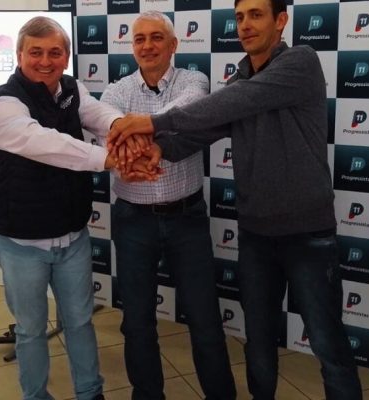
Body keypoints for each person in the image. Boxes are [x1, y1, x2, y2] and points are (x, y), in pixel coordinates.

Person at [107, 0, 363, 398]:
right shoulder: (241, 77)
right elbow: (207, 127)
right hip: (256, 235)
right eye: (240, 17)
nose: (245, 25)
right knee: (258, 344)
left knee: (329, 346)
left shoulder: (300, 61)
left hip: (307, 235)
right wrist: (160, 149)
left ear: (281, 20)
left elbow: (232, 103)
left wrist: (153, 123)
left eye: (256, 15)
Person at [0, 16, 123, 400]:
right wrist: (106, 159)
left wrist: (123, 129)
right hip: (21, 242)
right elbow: (45, 144)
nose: (45, 61)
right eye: (36, 52)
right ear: (19, 55)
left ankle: (90, 393)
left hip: (72, 235)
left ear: (66, 56)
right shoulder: (1, 104)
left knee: (80, 322)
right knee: (30, 330)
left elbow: (97, 115)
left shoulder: (72, 88)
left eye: (55, 53)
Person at [98, 11, 236, 400]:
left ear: (173, 45)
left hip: (186, 218)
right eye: (140, 39)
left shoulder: (193, 81)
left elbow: (188, 112)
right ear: (132, 47)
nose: (147, 46)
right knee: (137, 322)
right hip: (132, 220)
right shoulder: (116, 91)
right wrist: (136, 134)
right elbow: (107, 123)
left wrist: (138, 127)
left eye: (157, 37)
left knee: (205, 320)